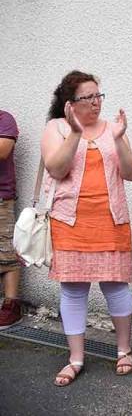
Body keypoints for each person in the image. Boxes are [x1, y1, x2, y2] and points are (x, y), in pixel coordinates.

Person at [41, 70, 132, 386]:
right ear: (70, 103)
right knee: (73, 289)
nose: (96, 102)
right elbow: (56, 169)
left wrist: (121, 138)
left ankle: (124, 350)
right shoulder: (55, 128)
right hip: (70, 221)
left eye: (99, 95)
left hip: (111, 220)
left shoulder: (113, 128)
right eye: (89, 97)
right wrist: (74, 133)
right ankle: (76, 358)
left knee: (116, 285)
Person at [0, 110, 22, 330]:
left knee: (6, 253)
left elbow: (3, 150)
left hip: (1, 198)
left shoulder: (3, 118)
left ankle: (11, 305)